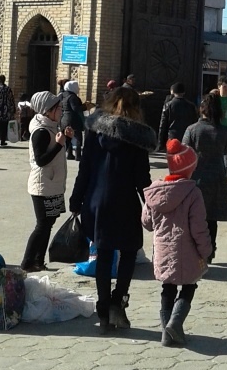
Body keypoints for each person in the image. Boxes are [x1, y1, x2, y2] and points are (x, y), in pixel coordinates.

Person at [70, 86, 157, 331]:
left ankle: (104, 309)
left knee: (104, 254)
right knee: (129, 252)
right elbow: (143, 179)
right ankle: (119, 300)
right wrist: (153, 204)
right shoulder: (138, 138)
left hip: (96, 201)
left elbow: (84, 169)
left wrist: (76, 200)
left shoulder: (94, 132)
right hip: (125, 203)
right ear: (136, 108)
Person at [141, 139, 212, 346]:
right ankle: (175, 322)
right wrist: (206, 250)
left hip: (163, 250)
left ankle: (165, 333)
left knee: (167, 288)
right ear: (189, 169)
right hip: (188, 251)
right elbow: (199, 228)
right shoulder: (193, 193)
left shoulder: (155, 192)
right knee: (189, 286)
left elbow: (147, 222)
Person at [20, 91, 74, 273]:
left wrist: (65, 139)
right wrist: (59, 144)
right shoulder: (41, 131)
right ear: (47, 111)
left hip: (52, 184)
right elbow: (41, 160)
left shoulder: (51, 126)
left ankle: (38, 261)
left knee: (48, 223)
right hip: (42, 185)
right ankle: (28, 262)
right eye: (57, 108)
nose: (60, 110)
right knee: (42, 224)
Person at [182, 92, 227, 264]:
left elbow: (184, 153)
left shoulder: (192, 129)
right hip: (217, 176)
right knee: (211, 217)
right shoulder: (225, 131)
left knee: (193, 216)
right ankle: (209, 251)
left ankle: (194, 250)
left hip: (196, 177)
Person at [158, 82, 198, 151]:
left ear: (173, 92)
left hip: (172, 137)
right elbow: (195, 122)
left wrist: (160, 143)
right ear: (184, 92)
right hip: (187, 136)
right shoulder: (191, 106)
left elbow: (163, 125)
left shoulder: (168, 105)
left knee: (173, 159)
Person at [60, 80, 85, 161]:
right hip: (73, 119)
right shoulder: (72, 97)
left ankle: (69, 154)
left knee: (68, 137)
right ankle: (78, 155)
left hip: (64, 118)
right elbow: (75, 108)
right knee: (78, 137)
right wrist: (85, 107)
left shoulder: (63, 95)